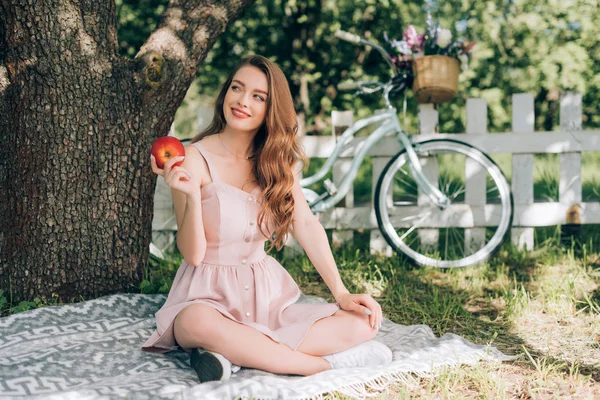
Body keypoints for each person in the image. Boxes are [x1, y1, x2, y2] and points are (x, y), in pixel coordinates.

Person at [142, 55, 393, 382]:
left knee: (362, 323)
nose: (242, 101)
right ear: (225, 94)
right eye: (237, 88)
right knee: (194, 324)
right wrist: (189, 195)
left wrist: (342, 293)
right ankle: (325, 366)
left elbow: (306, 225)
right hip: (205, 297)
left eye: (258, 96)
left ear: (271, 108)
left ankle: (235, 354)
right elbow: (193, 255)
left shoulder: (277, 162)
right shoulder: (191, 158)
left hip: (264, 297)